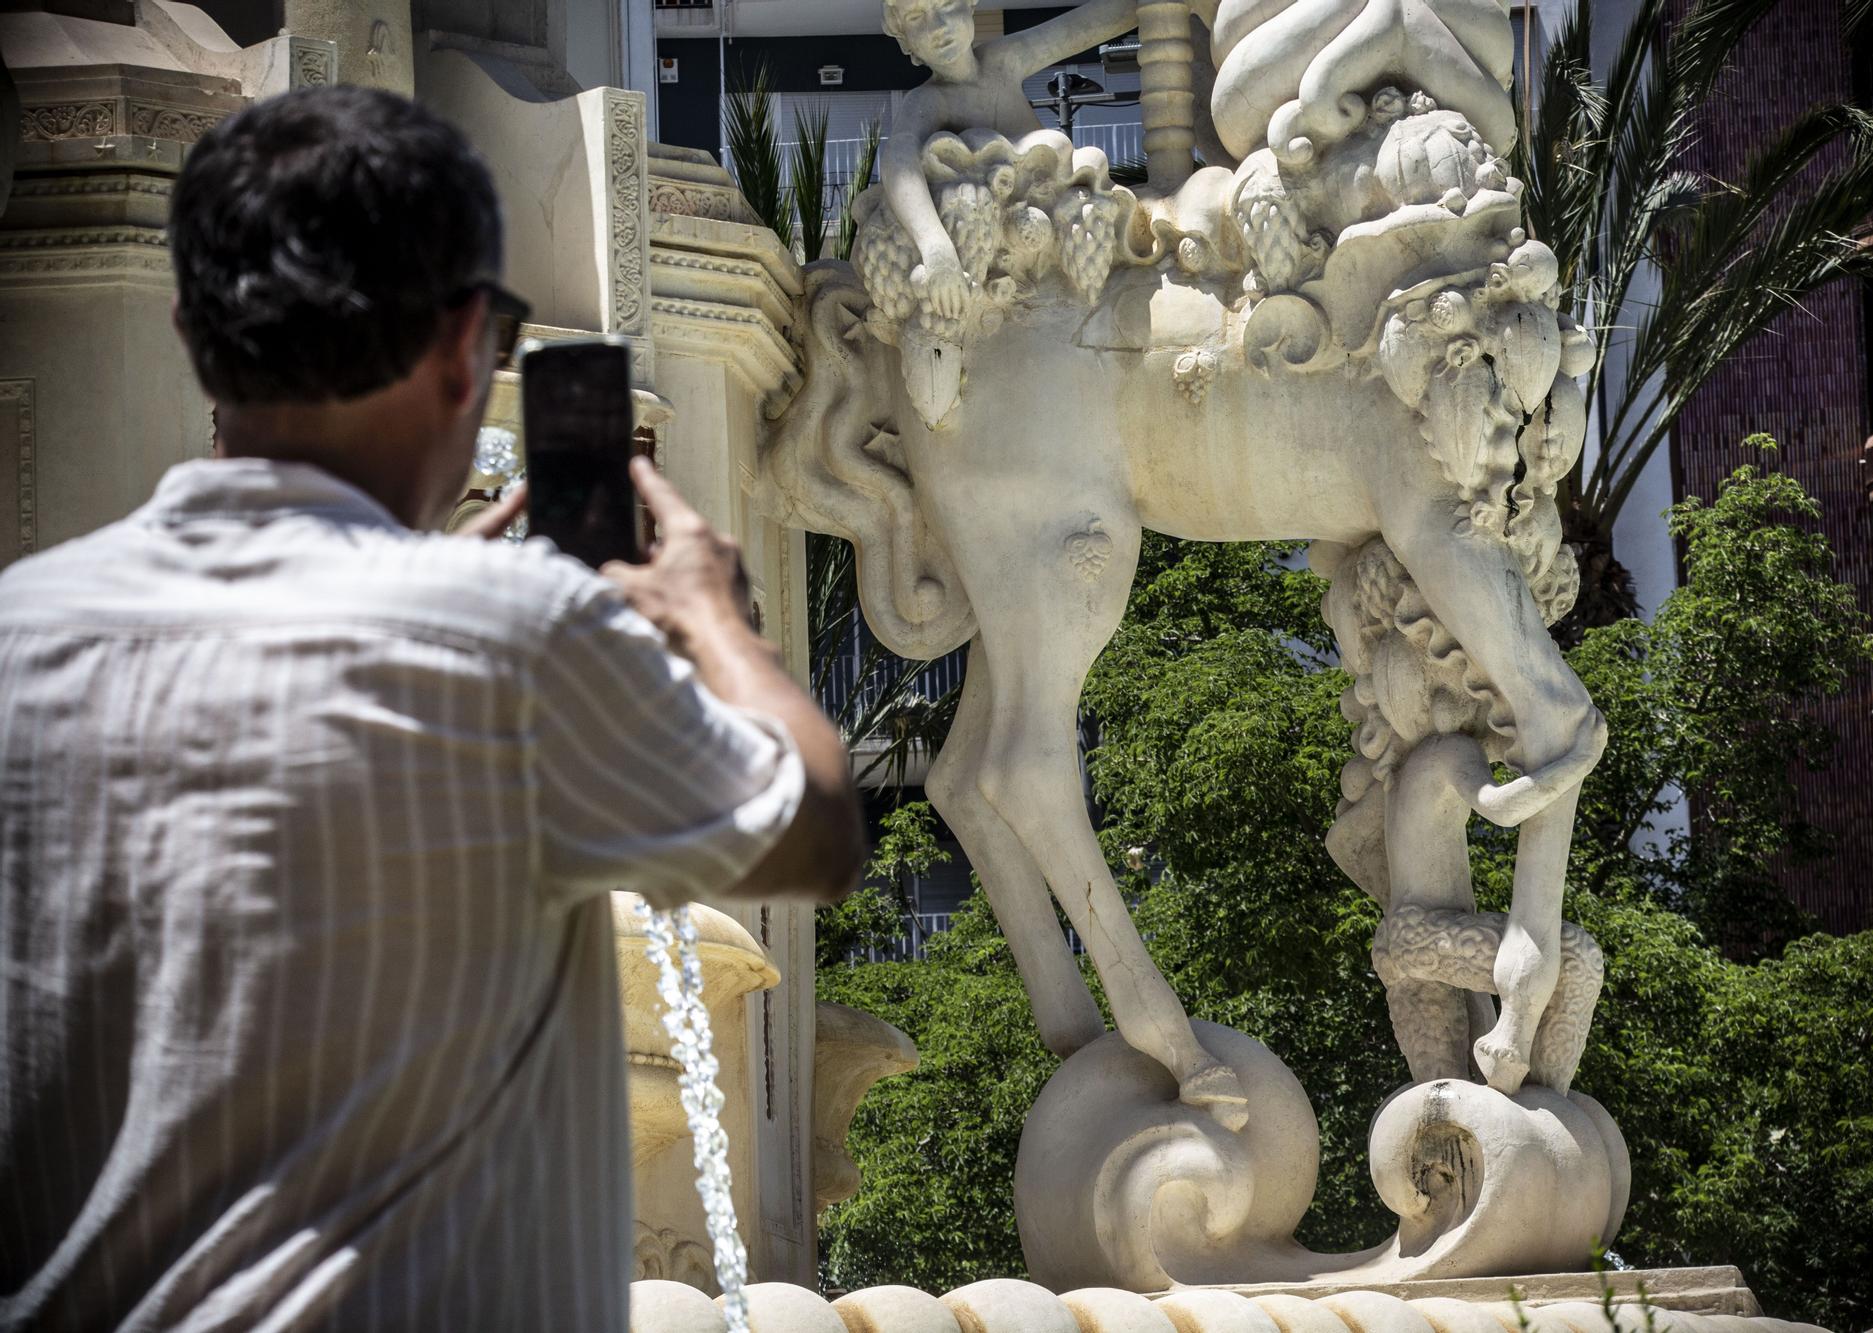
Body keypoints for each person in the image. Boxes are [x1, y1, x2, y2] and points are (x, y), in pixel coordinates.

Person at [0, 85, 864, 1331]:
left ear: (194, 335)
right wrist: (710, 612)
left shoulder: (24, 633)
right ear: (468, 348)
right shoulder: (514, 643)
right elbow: (814, 824)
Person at [879, 0, 1137, 321]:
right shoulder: (927, 102)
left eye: (946, 5)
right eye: (916, 18)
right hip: (1004, 256)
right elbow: (898, 159)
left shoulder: (1002, 59)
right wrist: (935, 244)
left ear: (970, 7)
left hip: (1067, 224)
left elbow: (1086, 26)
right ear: (905, 42)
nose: (938, 27)